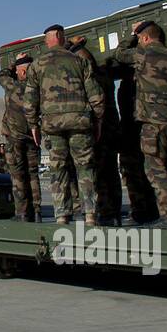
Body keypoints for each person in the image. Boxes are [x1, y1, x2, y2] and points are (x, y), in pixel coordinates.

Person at [25, 25, 106, 225]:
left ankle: (62, 215)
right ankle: (90, 215)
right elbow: (96, 95)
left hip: (53, 125)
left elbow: (29, 100)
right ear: (62, 38)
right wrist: (98, 120)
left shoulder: (37, 64)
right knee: (85, 167)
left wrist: (33, 125)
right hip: (80, 122)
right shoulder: (80, 61)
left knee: (58, 169)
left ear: (49, 40)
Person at [112, 21, 167, 229]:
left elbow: (120, 54)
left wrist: (131, 33)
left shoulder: (143, 55)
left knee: (157, 171)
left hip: (152, 122)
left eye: (140, 38)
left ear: (145, 38)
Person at [68, 36, 123, 226]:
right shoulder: (106, 75)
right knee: (111, 171)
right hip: (112, 127)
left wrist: (72, 46)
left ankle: (105, 212)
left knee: (97, 172)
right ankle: (114, 212)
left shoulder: (92, 77)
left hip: (99, 129)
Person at [0, 52, 42, 221]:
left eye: (18, 71)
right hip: (32, 139)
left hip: (14, 139)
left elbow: (2, 74)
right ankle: (36, 211)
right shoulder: (37, 89)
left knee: (18, 176)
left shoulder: (13, 86)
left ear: (22, 72)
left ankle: (22, 213)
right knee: (33, 175)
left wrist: (13, 63)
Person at [116, 65, 160, 223]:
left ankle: (139, 210)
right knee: (146, 172)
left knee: (132, 173)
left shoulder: (128, 87)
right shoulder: (147, 83)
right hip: (144, 131)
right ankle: (152, 209)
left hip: (130, 132)